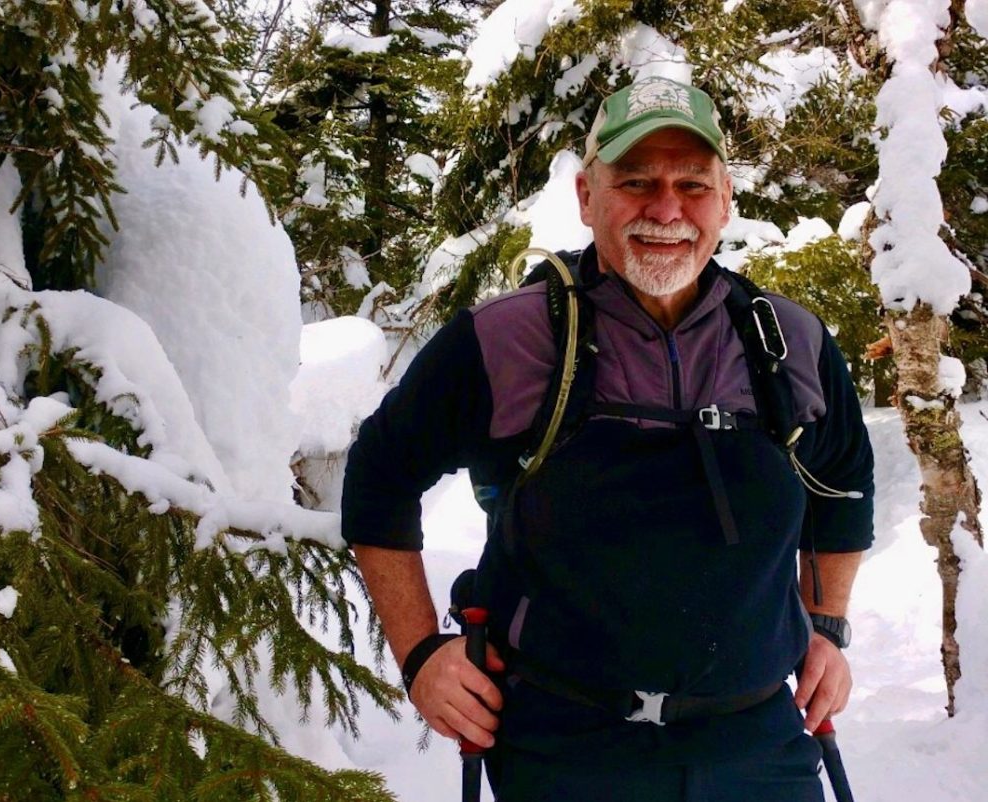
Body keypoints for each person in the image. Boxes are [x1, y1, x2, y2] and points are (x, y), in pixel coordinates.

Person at [342, 76, 874, 802]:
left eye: (692, 184)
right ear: (587, 197)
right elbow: (380, 478)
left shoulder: (788, 343)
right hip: (566, 748)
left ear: (725, 200)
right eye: (636, 182)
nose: (666, 209)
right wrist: (420, 656)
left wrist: (826, 629)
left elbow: (843, 488)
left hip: (757, 744)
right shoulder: (509, 340)